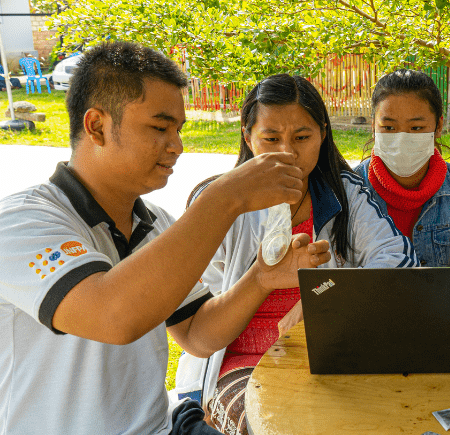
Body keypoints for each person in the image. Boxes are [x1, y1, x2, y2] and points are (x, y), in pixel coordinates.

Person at [0, 41, 329, 435]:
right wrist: (225, 197)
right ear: (97, 126)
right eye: (160, 128)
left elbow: (196, 335)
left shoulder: (156, 224)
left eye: (178, 130)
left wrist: (260, 278)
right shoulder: (24, 221)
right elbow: (112, 316)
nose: (177, 147)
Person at [175, 74, 415, 435]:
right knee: (273, 426)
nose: (287, 152)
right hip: (238, 364)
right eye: (271, 138)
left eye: (302, 137)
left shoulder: (345, 193)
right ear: (247, 136)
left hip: (328, 358)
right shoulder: (217, 202)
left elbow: (399, 265)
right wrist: (259, 280)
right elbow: (200, 323)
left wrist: (327, 295)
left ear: (322, 134)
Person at [355, 68, 450, 267]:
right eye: (389, 128)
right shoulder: (350, 189)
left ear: (438, 127)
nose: (401, 138)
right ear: (373, 128)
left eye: (416, 128)